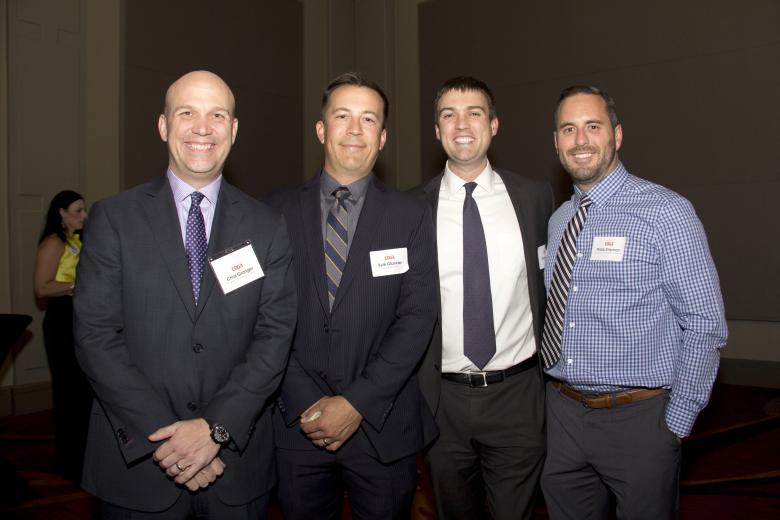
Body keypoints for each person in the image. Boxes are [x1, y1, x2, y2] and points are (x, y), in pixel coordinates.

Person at [73, 70, 297, 519]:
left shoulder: (267, 226)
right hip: (137, 463)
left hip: (236, 466)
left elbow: (274, 339)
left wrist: (215, 430)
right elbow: (96, 337)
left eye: (217, 115)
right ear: (163, 126)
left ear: (233, 130)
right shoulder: (113, 219)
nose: (202, 127)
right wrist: (172, 440)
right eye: (187, 113)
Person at [540, 85, 728, 519]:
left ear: (617, 135)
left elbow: (705, 323)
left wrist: (676, 423)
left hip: (638, 419)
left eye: (593, 126)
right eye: (568, 129)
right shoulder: (559, 220)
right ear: (556, 142)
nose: (581, 140)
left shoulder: (665, 211)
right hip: (564, 414)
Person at [270, 72, 438, 520]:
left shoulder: (412, 215)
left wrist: (356, 402)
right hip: (296, 424)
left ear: (382, 138)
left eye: (368, 119)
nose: (354, 130)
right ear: (321, 129)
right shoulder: (273, 213)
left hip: (382, 425)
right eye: (342, 116)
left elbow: (417, 318)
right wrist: (307, 398)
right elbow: (263, 319)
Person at [414, 76, 553, 519]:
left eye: (474, 113)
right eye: (448, 115)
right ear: (436, 130)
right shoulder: (410, 209)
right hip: (443, 400)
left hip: (518, 395)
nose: (462, 124)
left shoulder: (534, 198)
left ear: (493, 125)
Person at [33, 190, 91, 482]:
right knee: (68, 389)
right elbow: (41, 288)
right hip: (61, 321)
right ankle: (69, 460)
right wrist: (76, 285)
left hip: (78, 317)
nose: (83, 215)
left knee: (83, 390)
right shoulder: (54, 243)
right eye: (78, 210)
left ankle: (83, 455)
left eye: (84, 210)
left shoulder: (78, 241)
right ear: (61, 213)